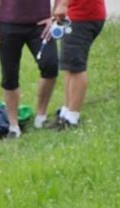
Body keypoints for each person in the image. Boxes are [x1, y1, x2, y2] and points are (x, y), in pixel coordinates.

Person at [0, 0, 58, 137]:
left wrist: (54, 16)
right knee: (9, 75)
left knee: (51, 64)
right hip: (9, 23)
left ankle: (41, 117)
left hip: (40, 23)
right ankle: (13, 126)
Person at [47, 0, 106, 129]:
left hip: (82, 17)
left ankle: (72, 118)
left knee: (76, 67)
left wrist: (62, 4)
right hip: (75, 15)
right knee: (69, 66)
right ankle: (66, 112)